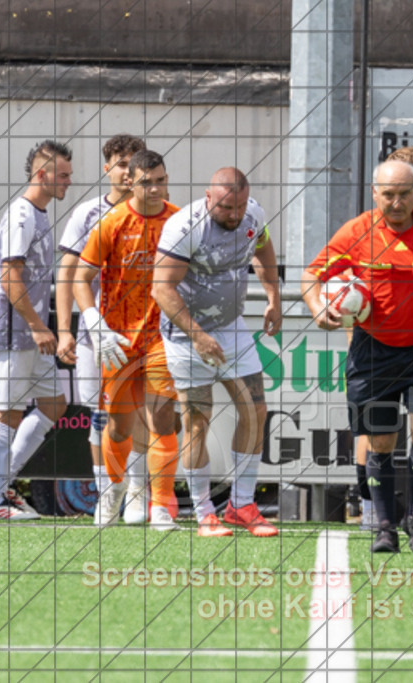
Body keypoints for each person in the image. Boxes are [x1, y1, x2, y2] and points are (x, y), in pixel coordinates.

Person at [302, 160, 413, 554]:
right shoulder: (356, 231)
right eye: (389, 194)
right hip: (373, 349)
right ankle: (384, 526)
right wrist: (317, 307)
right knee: (380, 440)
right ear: (374, 193)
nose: (397, 203)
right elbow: (311, 275)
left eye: (405, 194)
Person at [152, 167, 282, 538]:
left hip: (231, 327)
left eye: (239, 206)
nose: (234, 214)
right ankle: (204, 513)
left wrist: (273, 297)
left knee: (255, 410)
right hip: (185, 334)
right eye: (226, 207)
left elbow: (262, 248)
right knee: (198, 421)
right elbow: (162, 288)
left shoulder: (252, 214)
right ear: (208, 197)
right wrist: (197, 336)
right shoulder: (184, 227)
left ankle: (242, 506)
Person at [74, 149, 181, 532]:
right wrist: (94, 322)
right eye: (146, 182)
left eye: (161, 181)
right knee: (119, 427)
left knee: (162, 419)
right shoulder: (112, 222)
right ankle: (113, 490)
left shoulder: (179, 221)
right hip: (117, 340)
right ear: (129, 182)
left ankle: (161, 507)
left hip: (163, 338)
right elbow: (80, 277)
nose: (155, 188)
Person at [56, 134, 149, 525]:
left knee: (140, 413)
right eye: (121, 163)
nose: (128, 171)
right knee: (100, 415)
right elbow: (67, 274)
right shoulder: (88, 213)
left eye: (134, 163)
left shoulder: (155, 211)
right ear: (107, 167)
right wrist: (65, 329)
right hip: (96, 336)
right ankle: (107, 494)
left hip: (142, 333)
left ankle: (139, 494)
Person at [0, 140, 71, 520]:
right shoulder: (22, 214)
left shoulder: (39, 213)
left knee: (55, 405)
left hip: (30, 334)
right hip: (14, 333)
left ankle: (3, 485)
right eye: (63, 175)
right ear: (41, 174)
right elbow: (8, 277)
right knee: (7, 414)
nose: (69, 181)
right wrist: (37, 326)